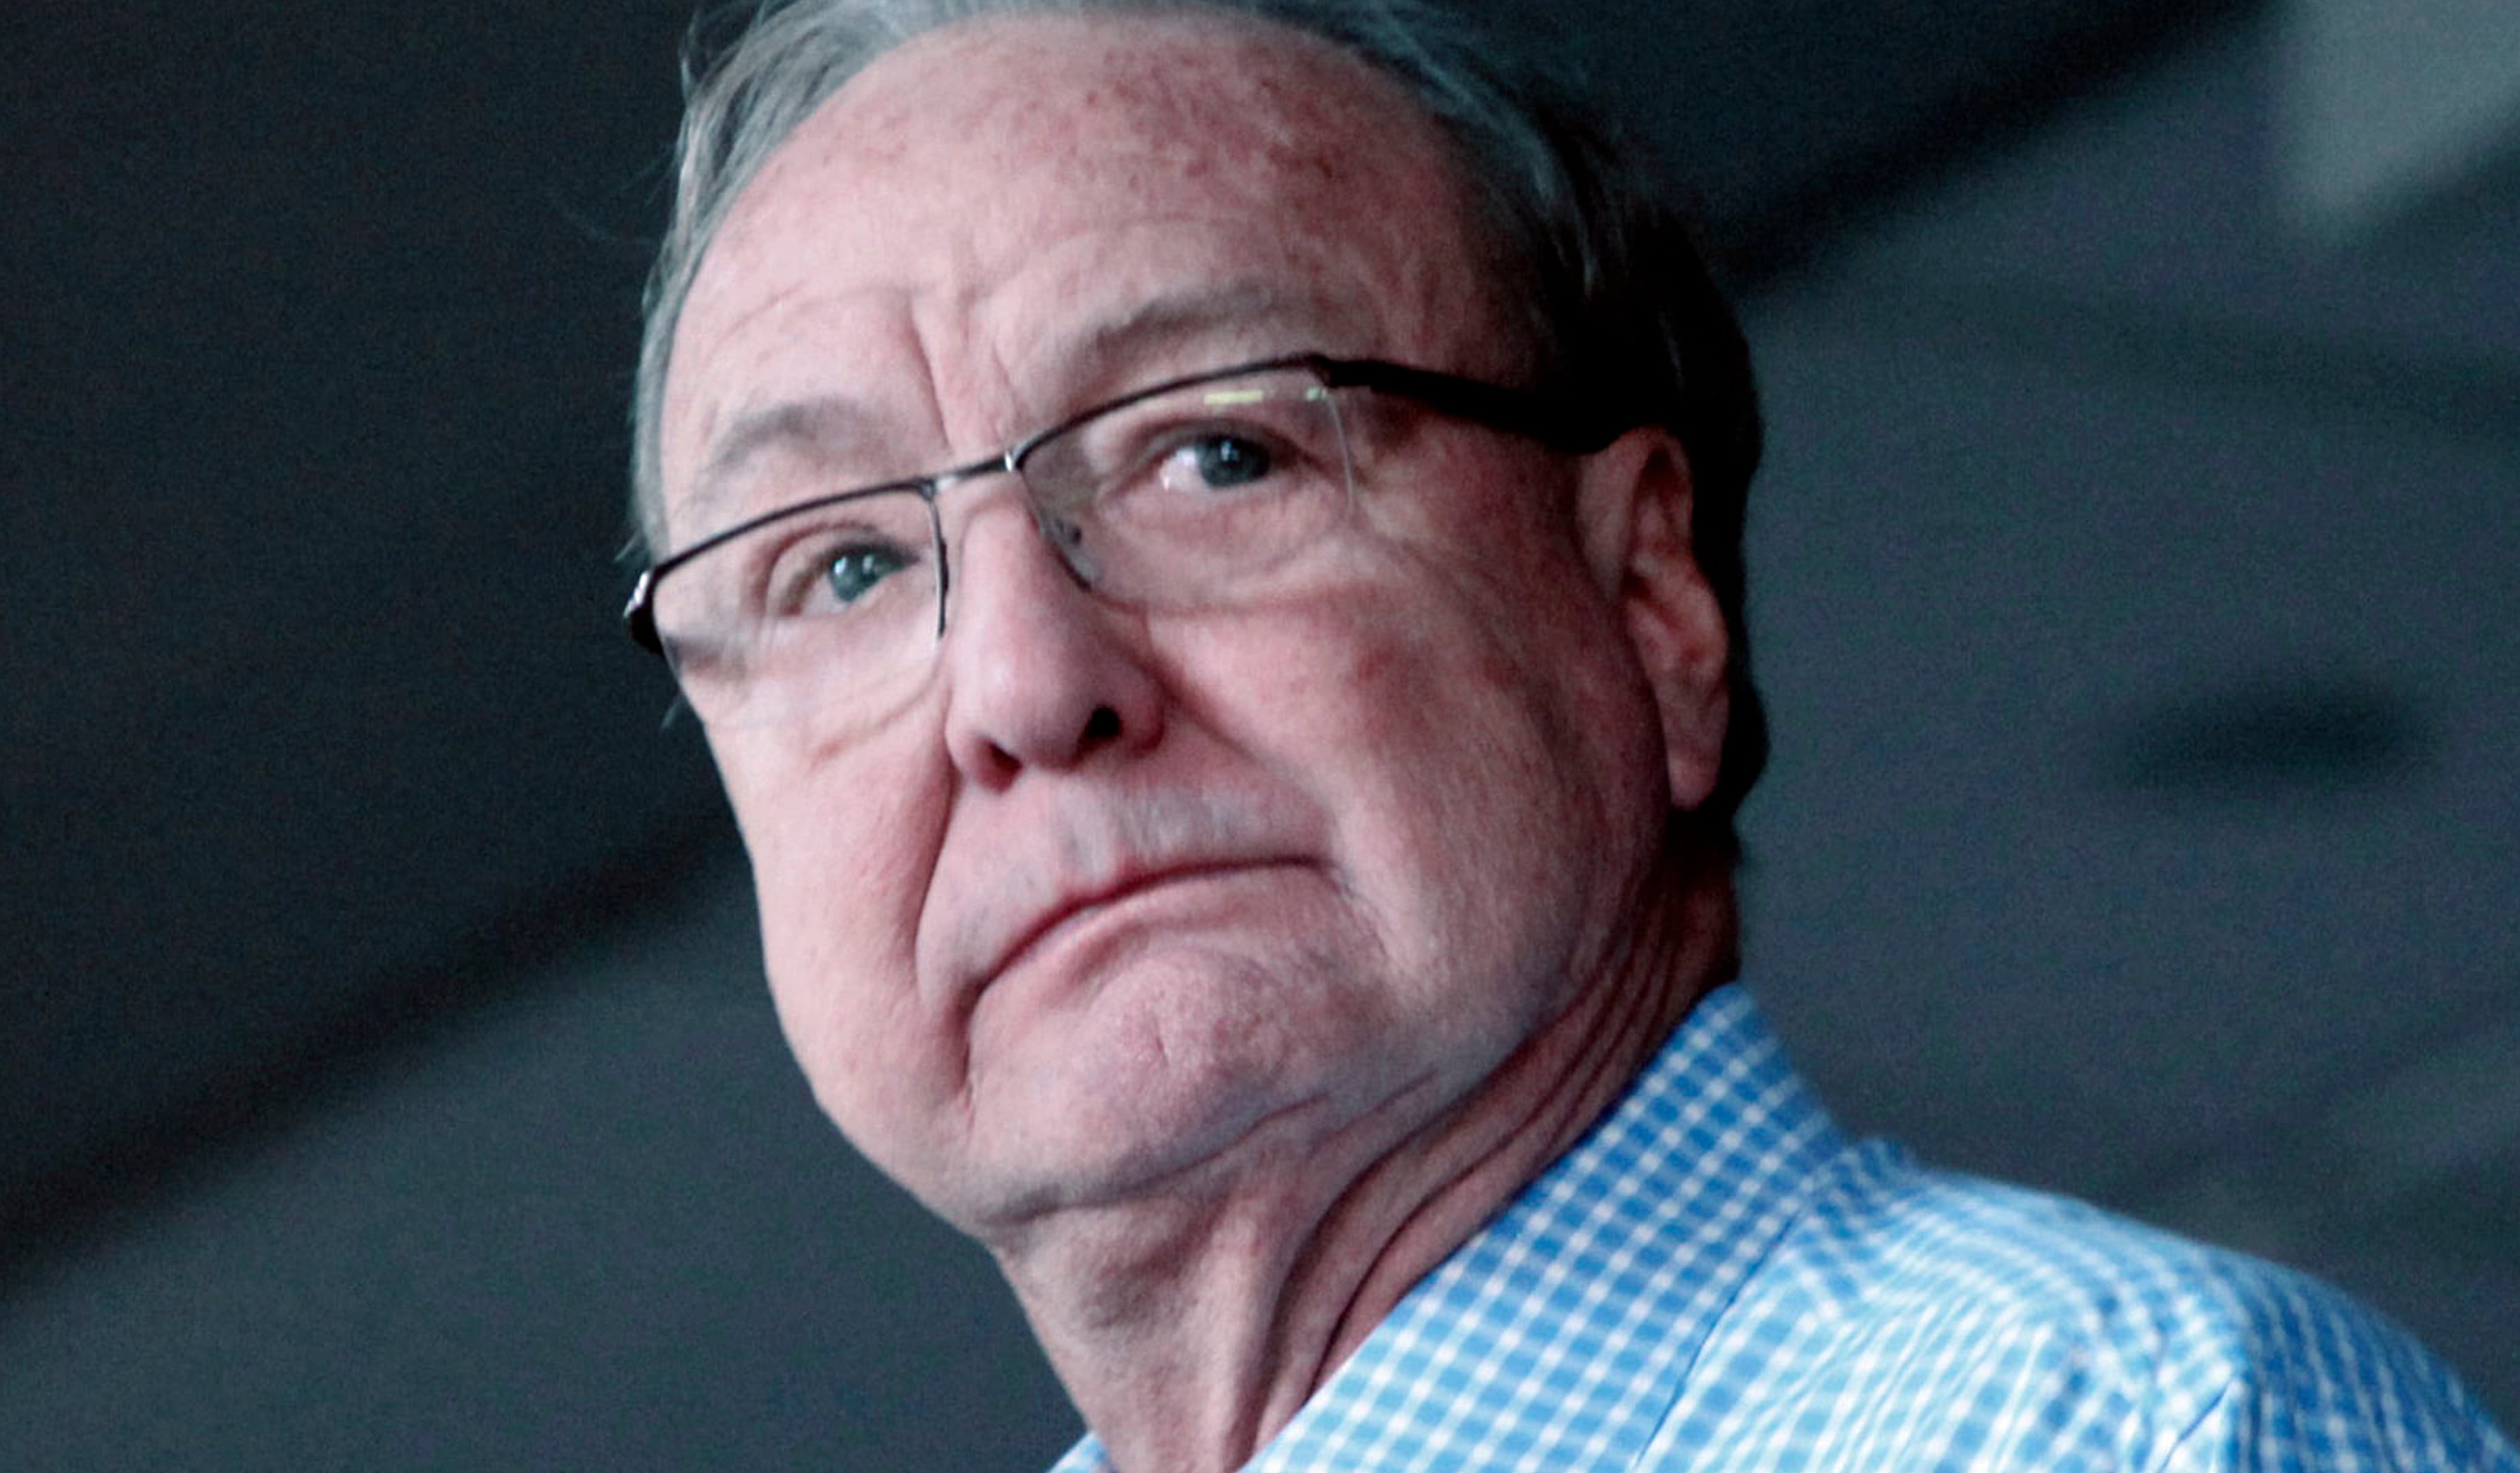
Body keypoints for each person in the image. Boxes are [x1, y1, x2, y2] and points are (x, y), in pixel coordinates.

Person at [617, 1, 2520, 1468]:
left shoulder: (2115, 1433)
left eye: (1218, 452)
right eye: (843, 569)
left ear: (1648, 601)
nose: (1024, 690)